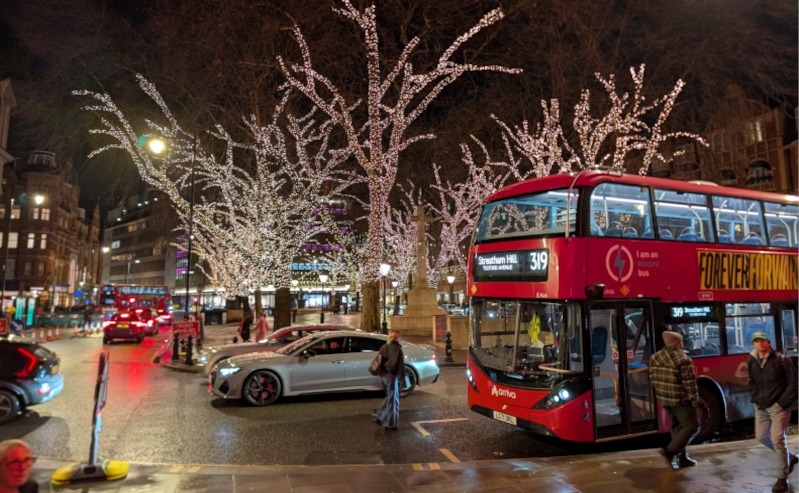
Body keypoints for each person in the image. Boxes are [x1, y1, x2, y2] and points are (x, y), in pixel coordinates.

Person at [748, 331, 799, 493]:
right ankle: (790, 457)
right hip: (761, 407)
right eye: (756, 341)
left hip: (779, 407)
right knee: (762, 437)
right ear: (753, 344)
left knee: (778, 440)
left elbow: (794, 382)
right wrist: (755, 398)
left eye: (763, 341)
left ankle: (782, 477)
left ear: (769, 342)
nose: (760, 344)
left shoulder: (782, 360)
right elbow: (752, 381)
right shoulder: (752, 360)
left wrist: (782, 403)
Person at [649, 329, 700, 471]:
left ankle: (682, 458)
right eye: (681, 341)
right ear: (678, 343)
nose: (683, 343)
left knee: (677, 427)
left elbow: (653, 378)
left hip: (665, 400)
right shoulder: (683, 359)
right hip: (680, 400)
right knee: (692, 426)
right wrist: (694, 400)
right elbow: (690, 384)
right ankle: (671, 451)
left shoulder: (655, 357)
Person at [372, 330, 405, 431]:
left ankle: (380, 413)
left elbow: (378, 361)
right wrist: (402, 381)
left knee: (391, 397)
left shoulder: (384, 347)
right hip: (392, 376)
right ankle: (390, 423)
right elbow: (400, 367)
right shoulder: (397, 350)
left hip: (383, 376)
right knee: (393, 401)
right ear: (397, 338)